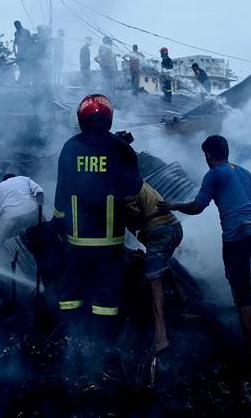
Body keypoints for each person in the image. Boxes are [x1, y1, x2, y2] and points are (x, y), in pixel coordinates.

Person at [158, 135, 251, 351]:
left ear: (208, 155)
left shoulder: (213, 174)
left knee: (243, 291)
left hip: (239, 235)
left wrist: (174, 206)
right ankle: (241, 310)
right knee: (235, 277)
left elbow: (198, 207)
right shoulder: (244, 172)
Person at [54, 94, 143, 331]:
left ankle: (70, 333)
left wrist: (58, 220)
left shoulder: (71, 147)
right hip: (110, 239)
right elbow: (134, 186)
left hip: (77, 238)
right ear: (109, 118)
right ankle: (102, 337)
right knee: (106, 288)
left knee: (72, 286)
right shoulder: (121, 148)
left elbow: (62, 189)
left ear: (81, 118)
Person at [122, 182, 182, 354]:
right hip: (174, 228)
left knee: (154, 285)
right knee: (160, 263)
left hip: (159, 231)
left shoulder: (127, 187)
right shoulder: (141, 183)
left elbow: (136, 217)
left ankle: (161, 338)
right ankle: (180, 297)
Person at [0, 173, 44, 243]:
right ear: (15, 177)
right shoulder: (24, 179)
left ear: (3, 181)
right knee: (43, 225)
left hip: (10, 219)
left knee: (8, 240)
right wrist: (39, 209)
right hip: (30, 212)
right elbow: (39, 192)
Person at [13, 20, 33, 85]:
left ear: (20, 24)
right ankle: (21, 81)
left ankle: (25, 81)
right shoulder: (16, 33)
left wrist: (29, 52)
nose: (16, 27)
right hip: (20, 53)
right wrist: (15, 52)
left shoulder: (26, 31)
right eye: (15, 26)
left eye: (17, 25)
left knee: (27, 68)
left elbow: (31, 42)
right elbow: (14, 43)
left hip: (27, 53)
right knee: (21, 67)